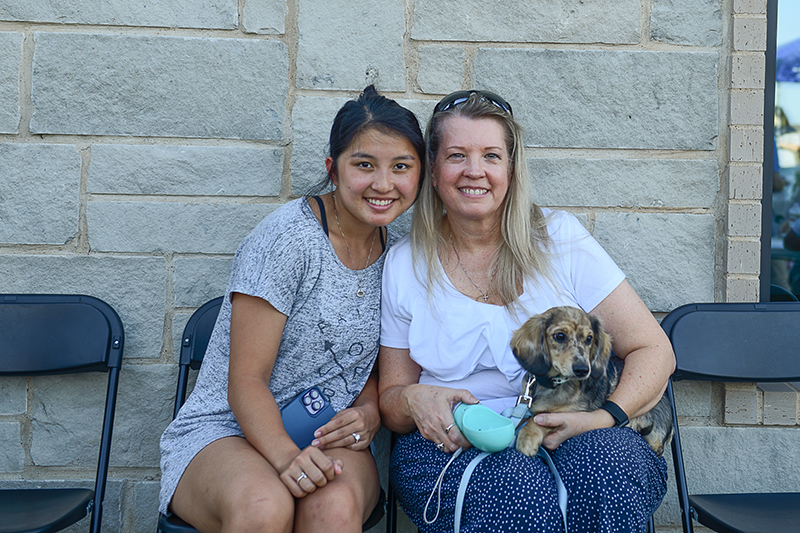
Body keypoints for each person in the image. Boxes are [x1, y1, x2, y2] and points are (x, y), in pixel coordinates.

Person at [378, 90, 676, 532]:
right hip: (452, 439)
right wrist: (412, 398)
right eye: (457, 155)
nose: (474, 171)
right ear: (434, 170)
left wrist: (602, 418)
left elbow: (654, 350)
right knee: (517, 491)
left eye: (491, 156)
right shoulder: (405, 263)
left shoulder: (561, 239)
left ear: (512, 170)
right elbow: (391, 398)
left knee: (611, 471)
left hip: (574, 423)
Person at [159, 85, 424, 533]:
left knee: (334, 509)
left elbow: (374, 366)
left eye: (401, 167)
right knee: (265, 506)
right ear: (333, 171)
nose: (383, 184)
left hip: (329, 435)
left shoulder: (399, 259)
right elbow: (245, 380)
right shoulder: (288, 240)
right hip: (228, 432)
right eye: (364, 165)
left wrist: (369, 412)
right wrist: (286, 458)